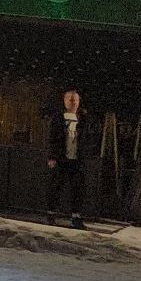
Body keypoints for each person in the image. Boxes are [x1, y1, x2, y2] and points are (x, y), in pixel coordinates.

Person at [47, 88, 89, 229]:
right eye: (70, 100)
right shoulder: (58, 118)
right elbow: (52, 138)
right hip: (61, 158)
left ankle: (76, 216)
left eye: (75, 100)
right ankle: (51, 213)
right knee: (56, 186)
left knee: (77, 188)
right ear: (65, 101)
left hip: (77, 160)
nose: (73, 103)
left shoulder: (82, 119)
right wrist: (52, 156)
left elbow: (86, 138)